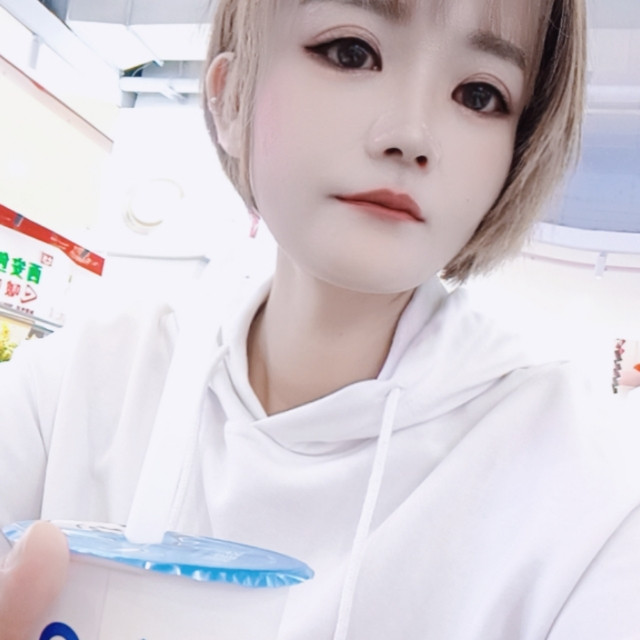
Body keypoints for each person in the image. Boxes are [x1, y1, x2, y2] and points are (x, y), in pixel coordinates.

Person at [2, 0, 640, 638]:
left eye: (479, 95)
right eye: (351, 53)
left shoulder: (589, 485)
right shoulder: (74, 387)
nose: (411, 135)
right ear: (231, 98)